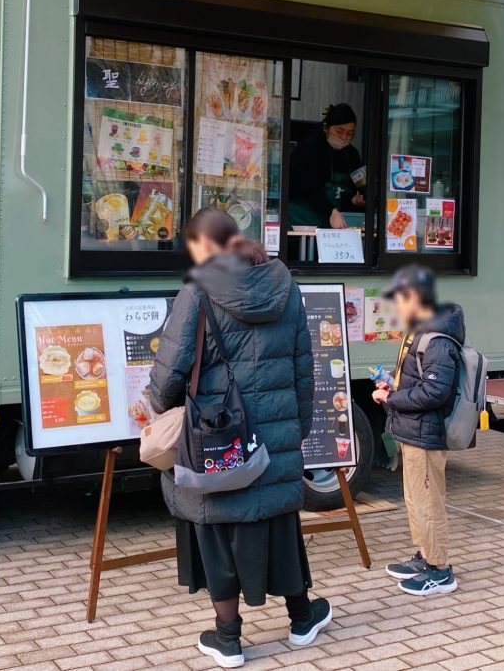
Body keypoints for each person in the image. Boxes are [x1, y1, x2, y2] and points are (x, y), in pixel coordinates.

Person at [149, 208, 331, 668]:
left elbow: (169, 377)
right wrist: (297, 431)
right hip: (274, 436)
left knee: (217, 525)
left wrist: (157, 406)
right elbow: (302, 370)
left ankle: (228, 639)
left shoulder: (197, 292)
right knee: (277, 522)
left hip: (217, 438)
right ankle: (302, 618)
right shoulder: (285, 287)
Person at [372, 264, 463, 596]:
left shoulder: (438, 338)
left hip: (426, 434)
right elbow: (418, 381)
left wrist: (392, 396)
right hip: (412, 430)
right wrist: (390, 384)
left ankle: (440, 569)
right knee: (415, 499)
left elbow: (436, 392)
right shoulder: (420, 329)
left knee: (428, 501)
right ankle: (424, 556)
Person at [288, 103, 364, 230]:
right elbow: (308, 187)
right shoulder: (310, 148)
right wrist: (331, 210)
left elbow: (355, 186)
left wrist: (354, 200)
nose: (344, 137)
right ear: (326, 128)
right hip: (302, 217)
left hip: (334, 220)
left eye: (349, 133)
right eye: (339, 132)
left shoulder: (352, 154)